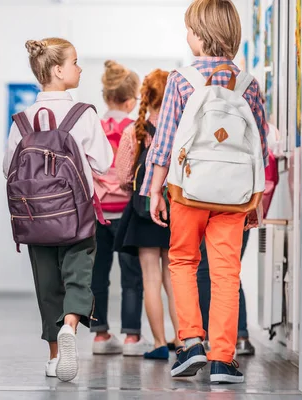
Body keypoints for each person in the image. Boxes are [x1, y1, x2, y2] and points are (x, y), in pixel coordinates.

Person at [142, 0, 269, 384]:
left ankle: (191, 342)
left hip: (188, 189)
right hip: (233, 194)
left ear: (199, 36)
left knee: (182, 261)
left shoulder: (182, 80)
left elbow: (164, 143)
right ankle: (222, 359)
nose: (187, 36)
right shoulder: (248, 84)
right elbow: (258, 147)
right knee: (227, 272)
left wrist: (154, 190)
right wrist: (255, 200)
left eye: (189, 30)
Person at [3, 38, 113, 382]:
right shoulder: (84, 115)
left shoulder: (22, 120)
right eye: (76, 62)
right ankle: (70, 326)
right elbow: (105, 162)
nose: (80, 68)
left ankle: (54, 357)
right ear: (58, 70)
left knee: (48, 286)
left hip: (35, 221)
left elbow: (9, 168)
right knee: (78, 277)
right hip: (77, 218)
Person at [114, 69, 180, 360]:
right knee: (175, 278)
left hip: (143, 211)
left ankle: (158, 344)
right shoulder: (180, 131)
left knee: (150, 279)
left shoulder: (134, 131)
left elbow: (123, 176)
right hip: (175, 210)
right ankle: (184, 339)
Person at [91, 61, 150, 357]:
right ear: (131, 101)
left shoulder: (95, 128)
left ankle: (100, 335)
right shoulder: (136, 129)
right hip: (128, 213)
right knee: (133, 277)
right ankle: (131, 338)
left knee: (97, 275)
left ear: (106, 97)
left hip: (98, 212)